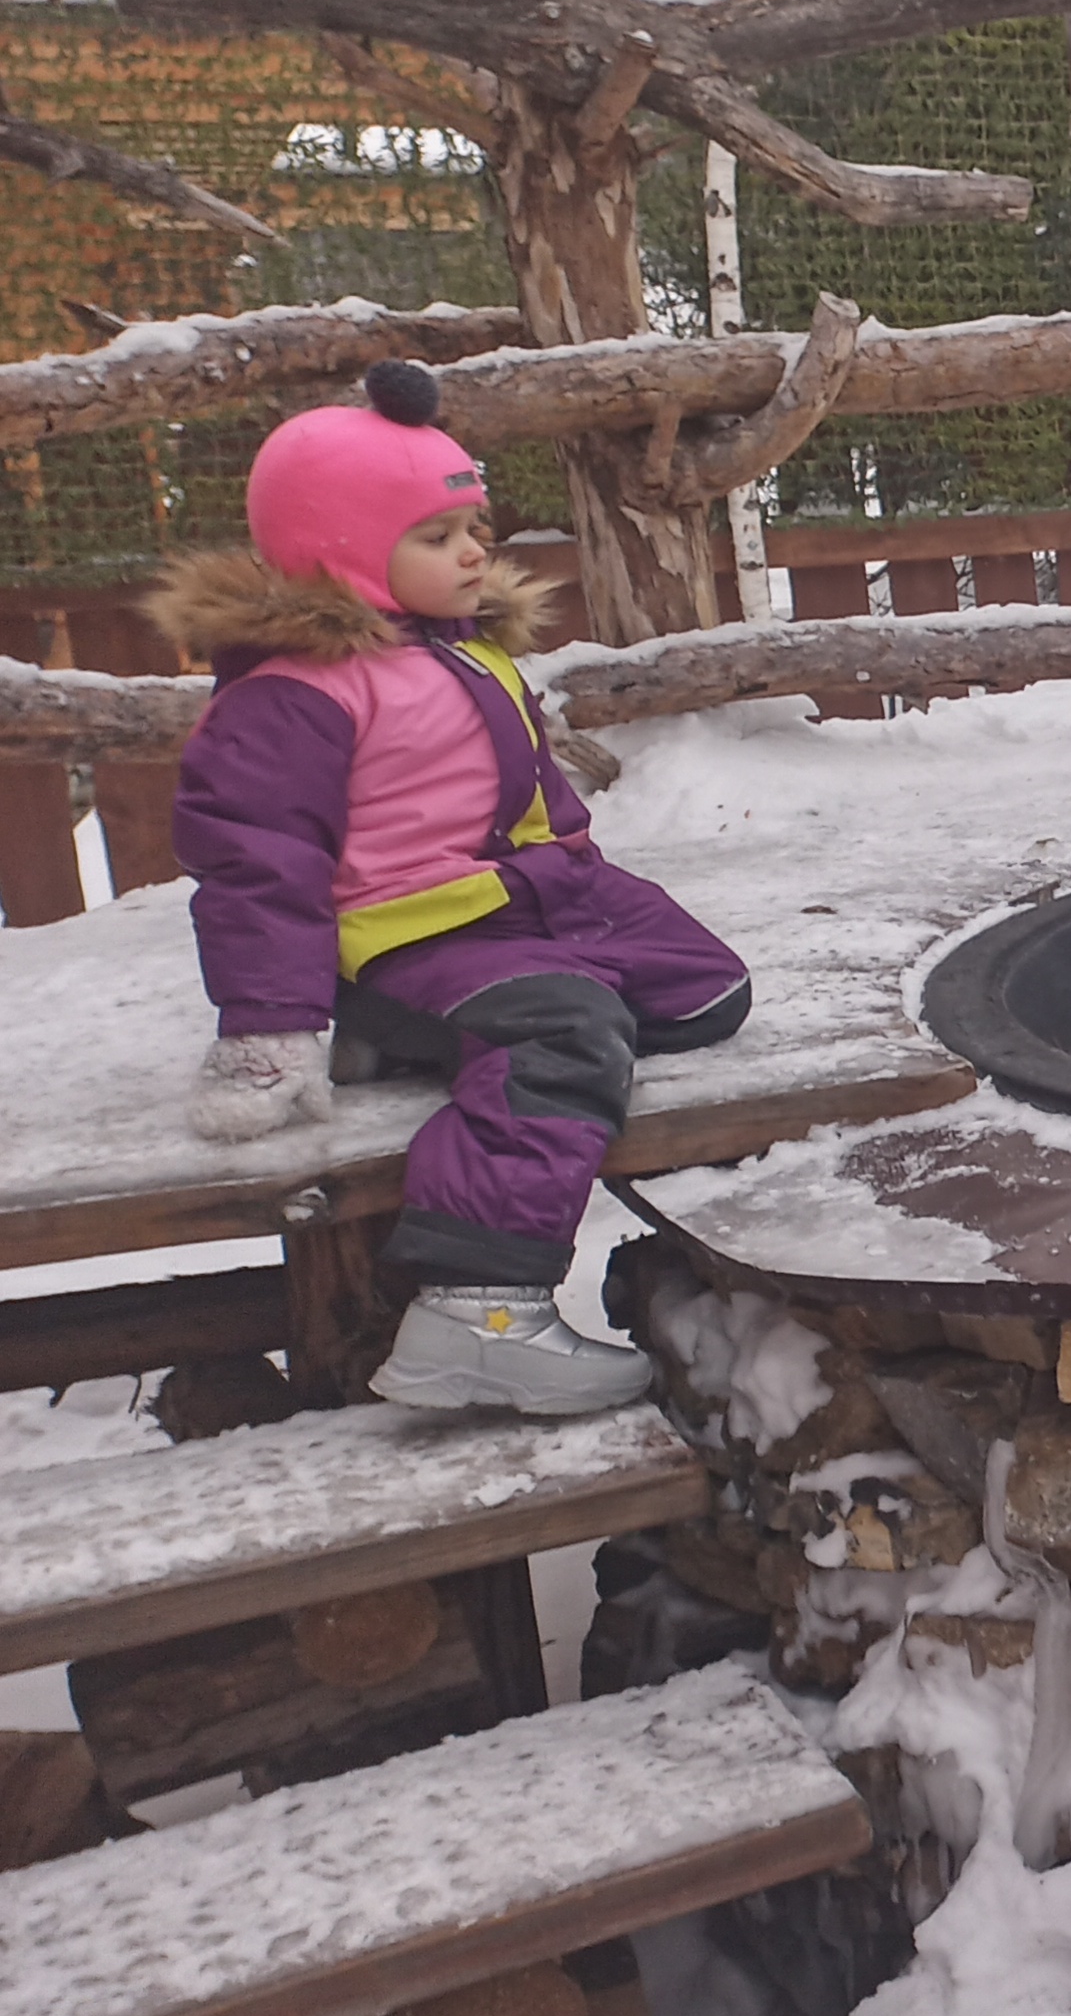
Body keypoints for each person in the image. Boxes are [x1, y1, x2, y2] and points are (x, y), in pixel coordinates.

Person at [153, 361, 750, 1414]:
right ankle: (483, 1304)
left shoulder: (452, 649)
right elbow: (255, 866)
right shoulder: (292, 698)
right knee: (567, 1033)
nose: (476, 551)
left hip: (521, 900)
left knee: (706, 993)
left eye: (473, 527)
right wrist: (266, 1024)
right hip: (403, 934)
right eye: (437, 537)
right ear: (339, 556)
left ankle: (424, 1041)